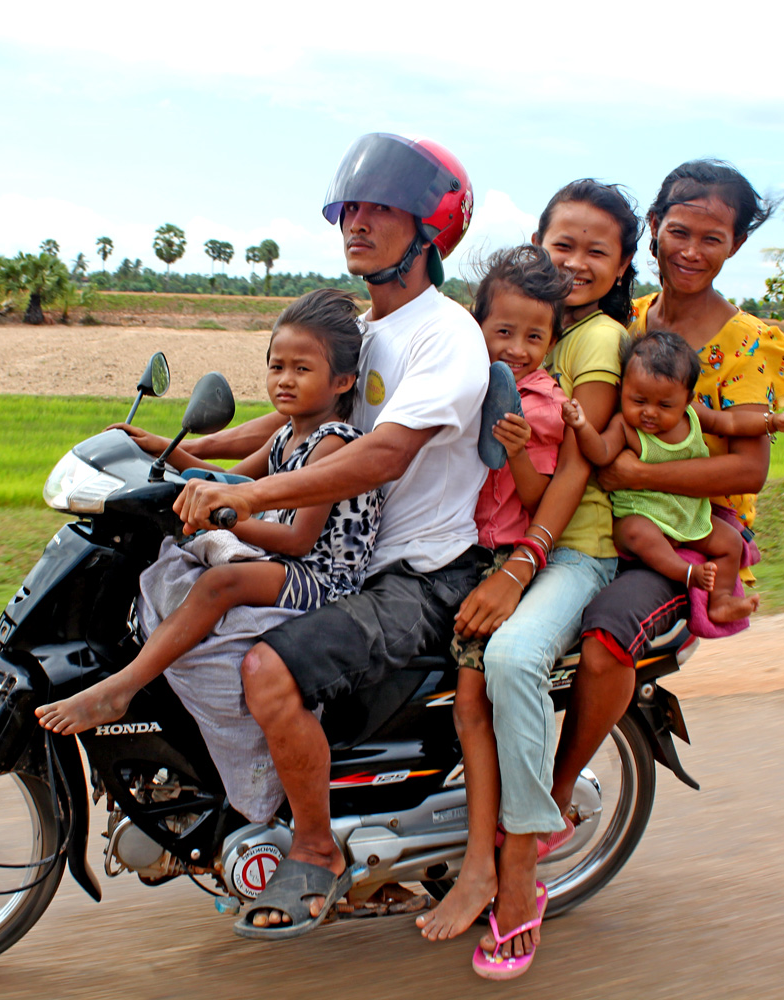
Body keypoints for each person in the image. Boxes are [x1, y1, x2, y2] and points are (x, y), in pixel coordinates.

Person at [173, 132, 487, 940]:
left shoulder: (443, 334)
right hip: (337, 552)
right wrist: (187, 456)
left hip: (418, 575)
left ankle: (318, 848)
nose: (358, 221)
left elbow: (382, 454)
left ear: (429, 229)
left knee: (268, 669)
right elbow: (297, 415)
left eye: (382, 208)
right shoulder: (368, 330)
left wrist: (241, 499)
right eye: (351, 207)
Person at [416, 180, 641, 975]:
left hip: (564, 546)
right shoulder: (514, 341)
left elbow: (571, 468)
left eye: (596, 250)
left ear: (619, 269)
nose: (576, 262)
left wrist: (521, 562)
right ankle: (473, 849)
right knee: (465, 692)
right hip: (486, 545)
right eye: (563, 244)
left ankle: (516, 875)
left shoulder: (593, 346)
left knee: (508, 662)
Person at [551, 160, 784, 843]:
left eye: (714, 238)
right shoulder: (624, 320)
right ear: (656, 230)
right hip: (599, 516)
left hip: (690, 537)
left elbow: (748, 470)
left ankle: (552, 797)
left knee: (607, 638)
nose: (692, 251)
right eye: (680, 231)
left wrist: (636, 479)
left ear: (736, 247)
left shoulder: (748, 343)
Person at [34, 289, 382, 735]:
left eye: (302, 369)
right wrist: (159, 446)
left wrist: (229, 518)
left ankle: (122, 688)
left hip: (326, 577)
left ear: (342, 382)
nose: (285, 380)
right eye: (276, 367)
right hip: (294, 563)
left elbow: (300, 541)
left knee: (222, 582)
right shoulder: (285, 436)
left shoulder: (332, 442)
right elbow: (225, 481)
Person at [401, 245, 575, 976]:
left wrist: (518, 453)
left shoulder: (542, 405)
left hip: (505, 559)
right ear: (477, 325)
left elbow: (538, 505)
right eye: (504, 331)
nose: (518, 348)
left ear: (551, 341)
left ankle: (492, 866)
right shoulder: (466, 379)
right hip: (452, 545)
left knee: (474, 699)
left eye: (534, 336)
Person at [564, 330, 784, 624]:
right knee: (635, 533)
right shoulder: (624, 427)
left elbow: (731, 421)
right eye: (638, 400)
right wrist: (581, 426)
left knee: (731, 542)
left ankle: (720, 602)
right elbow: (602, 453)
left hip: (688, 512)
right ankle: (686, 573)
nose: (649, 413)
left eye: (664, 405)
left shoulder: (692, 416)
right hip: (641, 513)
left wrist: (773, 422)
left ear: (687, 399)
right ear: (621, 390)